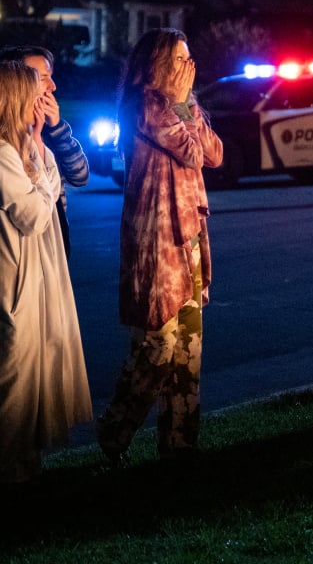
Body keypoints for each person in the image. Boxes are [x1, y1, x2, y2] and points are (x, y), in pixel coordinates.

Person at [0, 59, 92, 495]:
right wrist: (46, 178)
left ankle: (20, 466)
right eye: (34, 94)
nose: (41, 102)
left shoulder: (9, 148)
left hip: (19, 278)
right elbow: (34, 214)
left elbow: (57, 178)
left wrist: (37, 141)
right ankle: (3, 477)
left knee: (25, 374)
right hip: (10, 283)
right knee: (9, 379)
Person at [97, 28, 224, 465]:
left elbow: (215, 153)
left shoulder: (180, 105)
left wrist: (187, 104)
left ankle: (180, 446)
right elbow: (190, 152)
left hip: (188, 237)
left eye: (190, 59)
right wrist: (183, 105)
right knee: (157, 345)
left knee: (188, 349)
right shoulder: (145, 106)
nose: (188, 69)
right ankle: (114, 433)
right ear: (154, 65)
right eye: (178, 60)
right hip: (156, 241)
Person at [0, 45, 90, 262]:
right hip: (14, 263)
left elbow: (80, 176)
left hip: (54, 254)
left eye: (50, 76)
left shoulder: (50, 131)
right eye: (42, 78)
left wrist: (57, 128)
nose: (52, 86)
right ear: (16, 82)